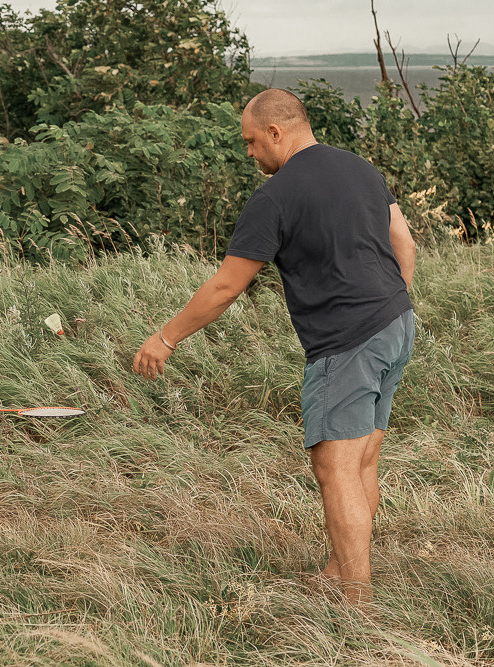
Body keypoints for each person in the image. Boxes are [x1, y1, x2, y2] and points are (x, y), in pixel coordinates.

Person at [132, 89, 416, 604]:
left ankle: (357, 598)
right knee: (363, 460)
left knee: (336, 468)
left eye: (250, 142)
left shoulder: (275, 196)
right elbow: (405, 241)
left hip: (346, 342)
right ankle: (337, 570)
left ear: (276, 132)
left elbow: (225, 287)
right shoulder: (359, 167)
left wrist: (165, 336)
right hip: (396, 323)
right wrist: (395, 301)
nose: (249, 154)